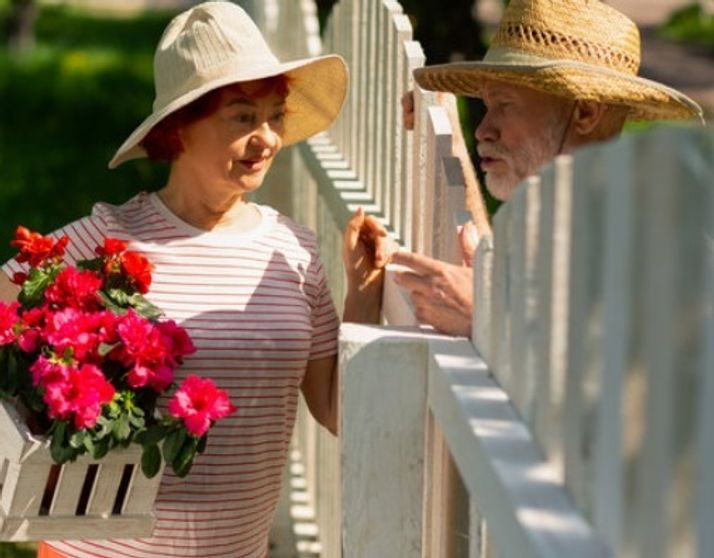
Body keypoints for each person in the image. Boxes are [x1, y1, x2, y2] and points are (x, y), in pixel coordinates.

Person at [0, 2, 390, 557]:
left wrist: (365, 293)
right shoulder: (108, 243)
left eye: (275, 115)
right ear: (178, 129)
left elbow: (335, 409)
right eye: (242, 116)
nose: (268, 138)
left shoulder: (295, 252)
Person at [393, 0, 703, 337]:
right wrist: (450, 143)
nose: (482, 130)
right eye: (487, 105)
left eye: (505, 104)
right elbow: (486, 269)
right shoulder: (562, 215)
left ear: (586, 112)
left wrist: (488, 317)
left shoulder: (650, 243)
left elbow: (614, 375)